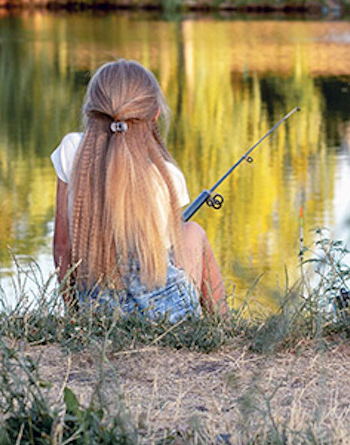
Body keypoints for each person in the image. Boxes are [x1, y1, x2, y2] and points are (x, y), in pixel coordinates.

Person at [51, 59, 227, 321]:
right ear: (155, 114)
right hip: (169, 314)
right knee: (192, 232)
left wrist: (74, 313)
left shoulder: (72, 151)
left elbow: (62, 246)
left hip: (98, 310)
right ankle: (222, 325)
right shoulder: (168, 176)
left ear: (92, 109)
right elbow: (172, 253)